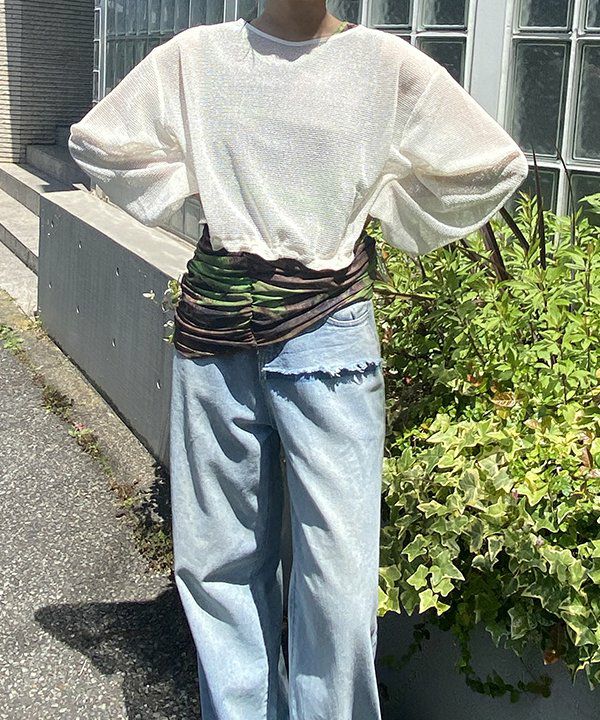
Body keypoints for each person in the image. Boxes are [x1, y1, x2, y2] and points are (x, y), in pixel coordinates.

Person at [68, 2, 529, 718]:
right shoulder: (197, 58)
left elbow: (491, 163)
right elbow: (100, 142)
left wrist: (383, 204)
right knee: (217, 563)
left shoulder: (384, 67)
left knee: (339, 586)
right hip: (215, 330)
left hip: (329, 332)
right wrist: (197, 184)